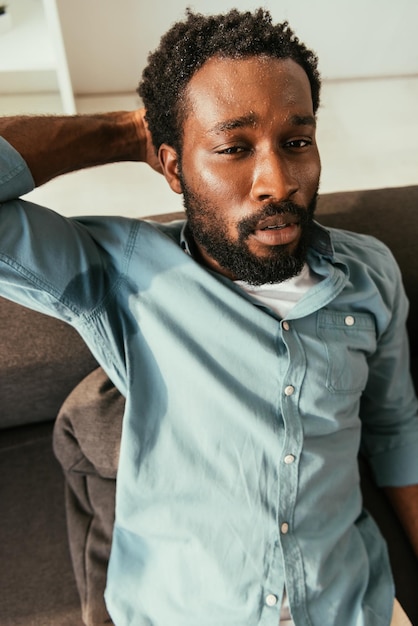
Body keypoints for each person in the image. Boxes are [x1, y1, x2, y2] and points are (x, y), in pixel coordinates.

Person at [0, 7, 417, 626]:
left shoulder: (371, 274)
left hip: (352, 606)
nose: (277, 181)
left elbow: (396, 431)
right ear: (172, 165)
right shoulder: (120, 274)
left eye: (297, 142)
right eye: (233, 147)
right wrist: (121, 131)